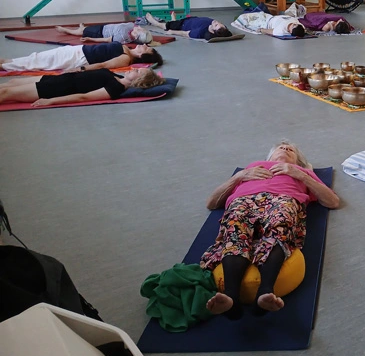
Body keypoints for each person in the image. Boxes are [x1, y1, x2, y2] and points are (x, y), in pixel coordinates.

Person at [199, 141, 339, 318]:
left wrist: (300, 174)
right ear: (270, 156)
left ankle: (265, 292)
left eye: (291, 150)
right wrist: (240, 176)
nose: (285, 149)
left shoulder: (301, 171)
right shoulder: (253, 167)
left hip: (283, 199)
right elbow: (211, 203)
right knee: (235, 227)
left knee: (280, 225)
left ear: (298, 161)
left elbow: (332, 202)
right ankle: (231, 297)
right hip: (244, 200)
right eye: (281, 147)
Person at [0, 68, 165, 107]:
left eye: (137, 71)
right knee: (11, 83)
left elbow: (83, 97)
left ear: (139, 80)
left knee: (6, 93)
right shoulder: (118, 77)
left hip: (54, 89)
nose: (133, 68)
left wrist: (50, 101)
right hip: (58, 79)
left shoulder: (115, 88)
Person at [0, 42, 162, 72]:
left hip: (76, 59)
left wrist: (80, 69)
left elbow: (103, 65)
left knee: (33, 62)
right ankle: (6, 62)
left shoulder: (125, 58)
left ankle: (5, 64)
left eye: (146, 48)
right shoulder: (126, 47)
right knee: (34, 58)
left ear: (142, 55)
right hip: (76, 50)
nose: (144, 44)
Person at [145, 12, 233, 40]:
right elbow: (227, 33)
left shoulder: (200, 32)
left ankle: (155, 23)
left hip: (183, 25)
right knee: (174, 23)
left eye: (216, 24)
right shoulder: (222, 29)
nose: (216, 22)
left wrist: (172, 32)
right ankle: (173, 20)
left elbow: (186, 33)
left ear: (212, 31)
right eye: (220, 23)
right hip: (193, 19)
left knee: (168, 26)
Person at [55, 22, 153, 45]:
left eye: (140, 29)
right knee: (85, 29)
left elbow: (106, 40)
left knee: (80, 32)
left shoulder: (122, 37)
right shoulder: (132, 26)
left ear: (136, 36)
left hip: (99, 33)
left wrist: (90, 39)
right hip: (105, 27)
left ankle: (66, 30)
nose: (139, 27)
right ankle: (83, 28)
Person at [232, 11, 306, 37]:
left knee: (244, 18)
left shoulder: (281, 31)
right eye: (295, 24)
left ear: (290, 31)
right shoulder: (300, 25)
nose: (294, 24)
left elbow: (271, 31)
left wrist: (261, 30)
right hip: (271, 16)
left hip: (266, 22)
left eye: (293, 26)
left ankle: (238, 19)